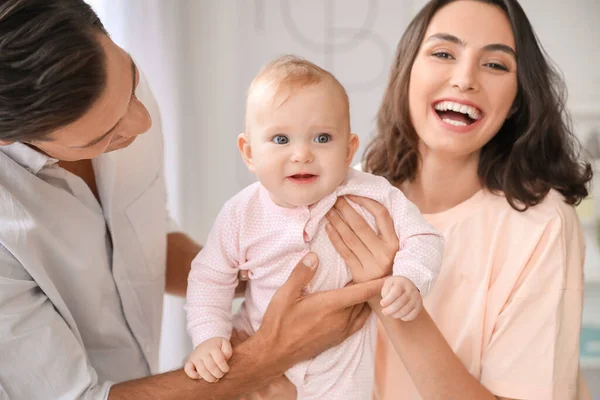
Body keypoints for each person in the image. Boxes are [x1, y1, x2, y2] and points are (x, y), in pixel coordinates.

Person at [0, 1, 385, 399]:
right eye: (105, 136)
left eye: (132, 84)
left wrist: (246, 273)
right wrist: (274, 350)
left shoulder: (105, 78)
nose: (142, 121)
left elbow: (141, 238)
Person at [321, 0, 592, 399]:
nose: (465, 79)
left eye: (496, 64)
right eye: (443, 53)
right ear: (407, 71)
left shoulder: (543, 223)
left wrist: (389, 294)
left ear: (517, 98)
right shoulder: (347, 192)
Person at [182, 56, 444, 399]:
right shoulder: (240, 214)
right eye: (280, 139)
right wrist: (209, 337)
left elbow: (425, 238)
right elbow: (209, 278)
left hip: (340, 373)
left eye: (322, 138)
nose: (302, 154)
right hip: (256, 357)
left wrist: (409, 278)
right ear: (248, 152)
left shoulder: (372, 193)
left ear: (350, 149)